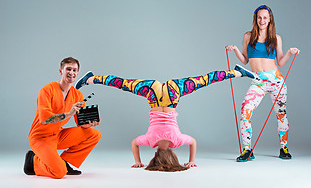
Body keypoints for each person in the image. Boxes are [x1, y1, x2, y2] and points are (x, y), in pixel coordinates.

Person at [75, 65, 257, 171]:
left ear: (173, 154)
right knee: (122, 84)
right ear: (155, 155)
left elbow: (192, 142)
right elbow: (134, 144)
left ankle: (238, 73)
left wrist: (192, 160)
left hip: (172, 93)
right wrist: (138, 161)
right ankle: (91, 79)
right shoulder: (150, 141)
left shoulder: (176, 142)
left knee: (204, 80)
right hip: (153, 94)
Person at [226, 5, 300, 162]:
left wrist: (289, 52)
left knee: (281, 114)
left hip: (276, 80)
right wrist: (235, 50)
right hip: (258, 81)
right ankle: (247, 150)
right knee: (245, 110)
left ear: (270, 19)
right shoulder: (248, 36)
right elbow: (245, 60)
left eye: (265, 17)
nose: (262, 20)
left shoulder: (276, 38)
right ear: (255, 19)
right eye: (259, 17)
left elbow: (280, 62)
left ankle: (284, 148)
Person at [24, 57, 102, 179]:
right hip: (40, 138)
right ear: (61, 71)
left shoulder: (77, 94)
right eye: (68, 69)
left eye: (75, 70)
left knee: (94, 134)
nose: (72, 73)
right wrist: (68, 114)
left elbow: (80, 124)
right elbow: (45, 120)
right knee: (59, 173)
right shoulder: (47, 90)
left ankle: (63, 162)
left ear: (78, 73)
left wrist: (89, 124)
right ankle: (33, 162)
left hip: (58, 135)